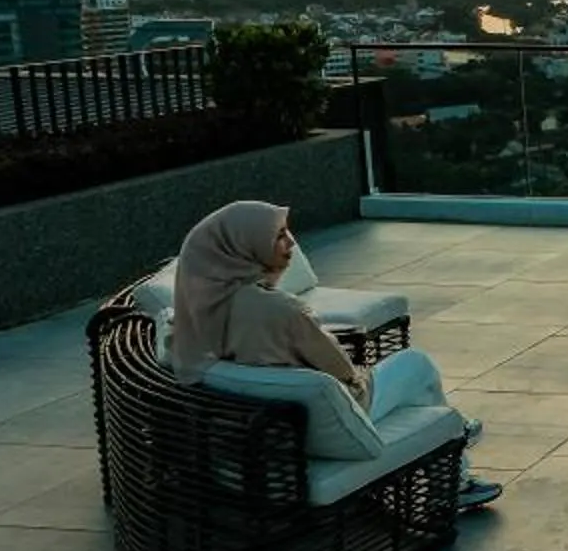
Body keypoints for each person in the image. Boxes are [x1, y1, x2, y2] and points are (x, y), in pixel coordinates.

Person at [167, 200, 501, 512]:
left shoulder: (196, 313)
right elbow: (342, 371)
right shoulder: (282, 311)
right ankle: (455, 464)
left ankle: (456, 434)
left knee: (410, 383)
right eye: (279, 237)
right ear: (245, 245)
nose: (291, 246)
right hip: (325, 426)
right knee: (416, 365)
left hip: (266, 429)